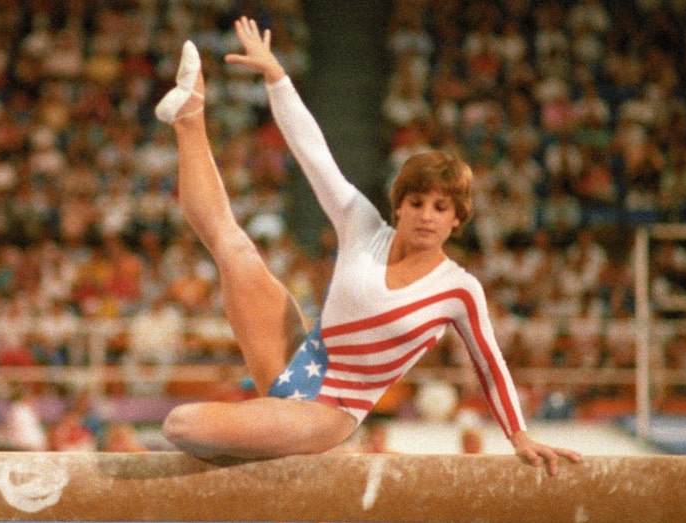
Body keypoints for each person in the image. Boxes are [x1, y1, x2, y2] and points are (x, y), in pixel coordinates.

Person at [154, 17, 581, 475]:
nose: (427, 215)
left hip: (330, 412)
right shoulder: (362, 226)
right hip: (297, 356)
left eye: (441, 207)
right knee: (234, 248)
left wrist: (519, 436)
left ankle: (309, 451)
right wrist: (276, 76)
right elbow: (313, 153)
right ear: (398, 206)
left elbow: (490, 365)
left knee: (182, 425)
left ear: (457, 219)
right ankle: (190, 118)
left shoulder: (459, 289)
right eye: (417, 203)